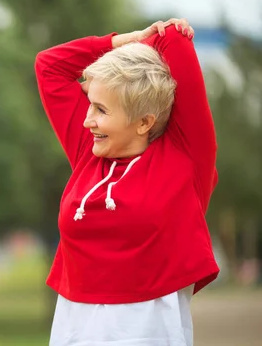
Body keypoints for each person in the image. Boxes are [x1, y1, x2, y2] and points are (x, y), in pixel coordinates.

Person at [34, 18, 219, 346]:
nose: (87, 119)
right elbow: (48, 65)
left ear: (145, 121)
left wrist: (149, 47)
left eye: (101, 109)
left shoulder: (185, 160)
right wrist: (126, 40)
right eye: (89, 102)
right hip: (73, 330)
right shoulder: (88, 151)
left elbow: (174, 39)